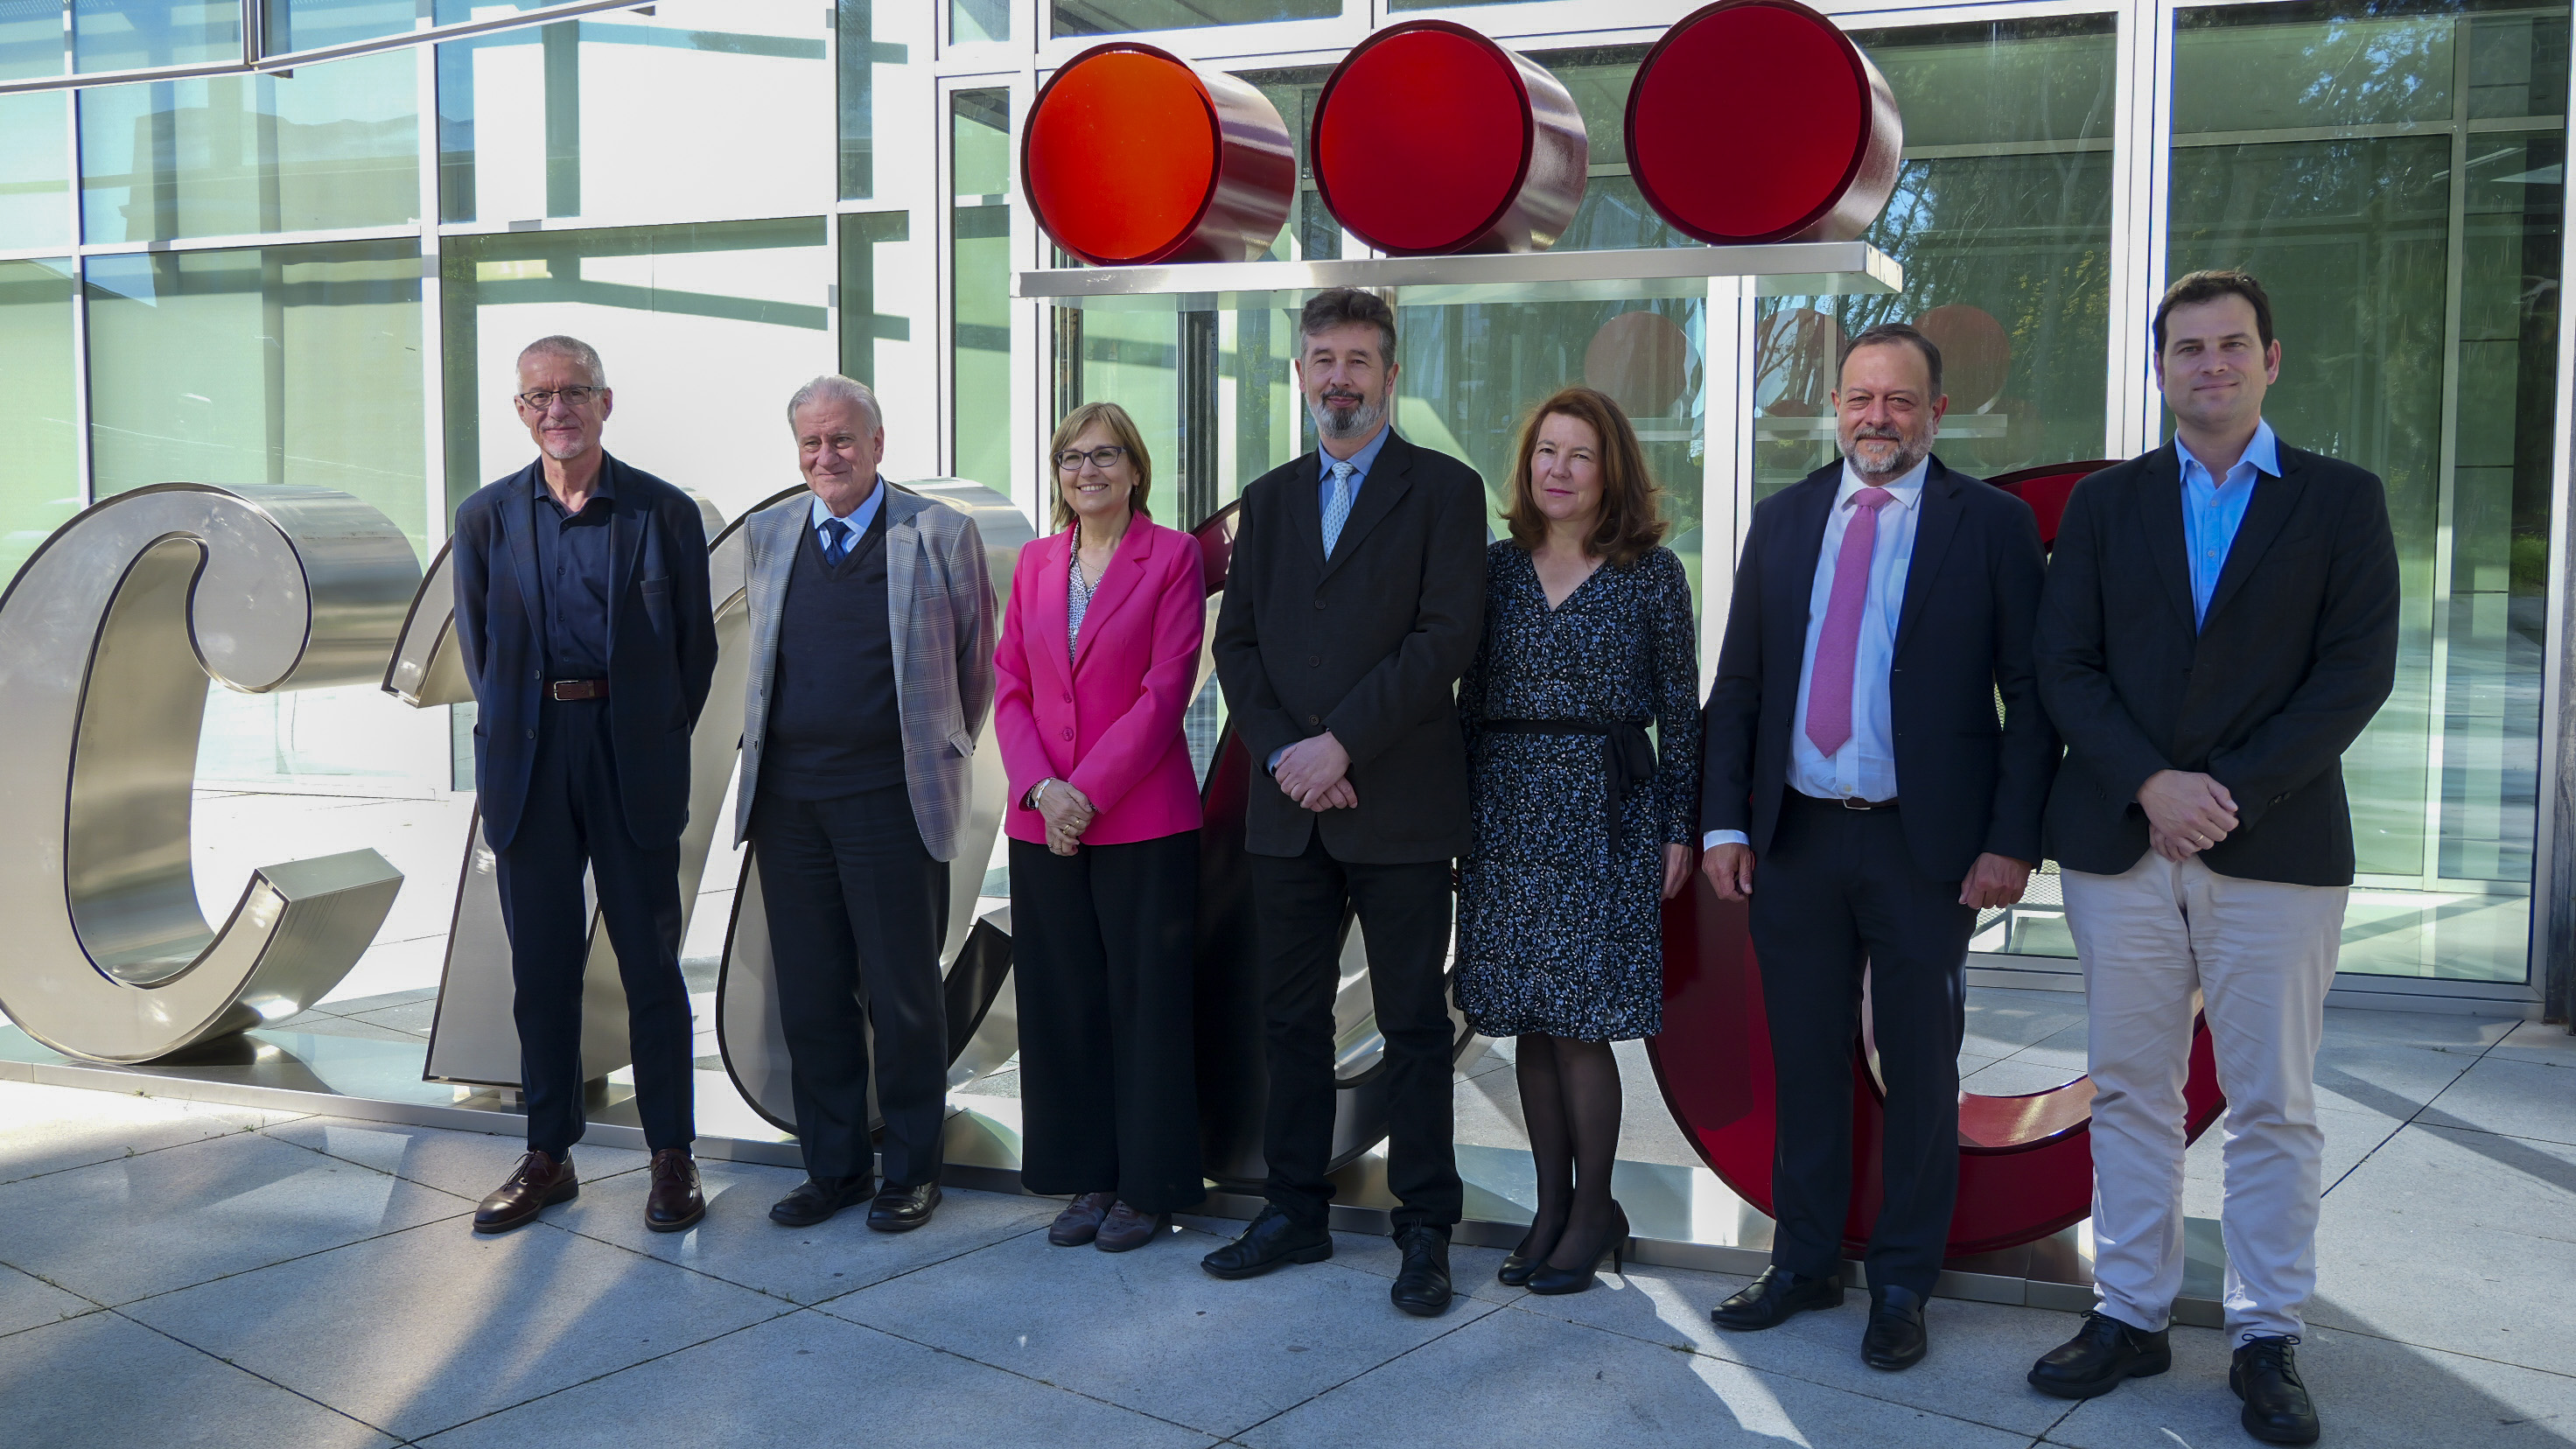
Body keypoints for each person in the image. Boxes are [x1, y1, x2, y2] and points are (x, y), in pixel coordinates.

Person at [2025, 271, 2398, 1447]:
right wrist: (2150, 783)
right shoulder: (2103, 505)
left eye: (2233, 345)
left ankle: (2266, 1337)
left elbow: (2354, 675)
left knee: (2272, 1104)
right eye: (2189, 348)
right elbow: (2063, 663)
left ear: (2272, 360)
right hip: (2118, 842)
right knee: (2131, 1090)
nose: (2213, 365)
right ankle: (2129, 1312)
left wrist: (2221, 797)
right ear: (2161, 368)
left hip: (2275, 846)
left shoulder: (2341, 502)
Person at [1698, 322, 2056, 1368]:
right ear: (1836, 406)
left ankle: (1902, 1281)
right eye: (1859, 398)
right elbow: (1744, 687)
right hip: (1797, 840)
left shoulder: (1987, 525)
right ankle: (1804, 1261)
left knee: (1920, 1069)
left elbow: (2031, 701)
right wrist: (1723, 821)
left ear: (1935, 413)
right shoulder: (1784, 519)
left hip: (1925, 849)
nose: (1877, 418)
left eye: (1899, 400)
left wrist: (2009, 841)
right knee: (1804, 1062)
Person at [1204, 287, 1488, 1316]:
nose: (1338, 377)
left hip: (1398, 805)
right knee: (1289, 1022)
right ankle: (1294, 1209)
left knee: (1413, 1026)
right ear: (1299, 373)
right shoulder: (1271, 499)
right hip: (1291, 810)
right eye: (1321, 358)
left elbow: (1443, 641)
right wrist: (1287, 753)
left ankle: (1424, 1230)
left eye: (1357, 359)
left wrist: (1339, 744)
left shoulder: (1446, 492)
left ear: (1390, 374)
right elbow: (1237, 645)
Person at [452, 335, 718, 1236]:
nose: (556, 409)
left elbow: (694, 652)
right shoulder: (486, 518)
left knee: (650, 967)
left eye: (573, 392)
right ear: (520, 411)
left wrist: (644, 730)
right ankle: (548, 1153)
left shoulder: (663, 514)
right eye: (538, 397)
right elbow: (483, 654)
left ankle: (672, 1157)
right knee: (544, 972)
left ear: (607, 401)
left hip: (629, 752)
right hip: (530, 756)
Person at [734, 374, 996, 1234]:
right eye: (810, 443)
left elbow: (974, 668)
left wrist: (929, 754)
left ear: (878, 444)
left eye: (841, 439)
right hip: (790, 805)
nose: (825, 456)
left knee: (902, 995)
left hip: (892, 800)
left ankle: (913, 1170)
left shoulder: (937, 533)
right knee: (811, 996)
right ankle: (834, 1168)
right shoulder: (770, 533)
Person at [1452, 386, 1699, 1296]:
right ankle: (1550, 1209)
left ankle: (1592, 1210)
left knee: (1581, 1026)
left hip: (1605, 814)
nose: (1558, 470)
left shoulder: (1650, 573)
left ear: (1611, 473)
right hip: (1504, 812)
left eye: (1579, 455)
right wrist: (1458, 828)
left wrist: (1678, 824)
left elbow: (1682, 710)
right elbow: (1466, 706)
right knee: (1523, 1017)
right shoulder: (1492, 569)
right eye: (1545, 453)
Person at [992, 401, 1208, 1252]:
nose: (1089, 471)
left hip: (1142, 822)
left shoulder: (1173, 557)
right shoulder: (1037, 563)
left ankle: (1148, 1189)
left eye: (1106, 455)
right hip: (1043, 820)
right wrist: (1044, 790)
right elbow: (1009, 684)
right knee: (1064, 1006)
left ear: (1135, 468)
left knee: (1144, 1009)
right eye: (1073, 458)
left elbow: (1167, 690)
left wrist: (1083, 793)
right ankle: (1089, 1177)